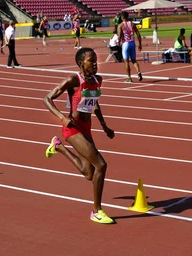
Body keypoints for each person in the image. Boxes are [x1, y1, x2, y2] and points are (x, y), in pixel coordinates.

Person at [44, 48, 115, 224]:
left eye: (96, 60)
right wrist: (62, 118)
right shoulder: (73, 80)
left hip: (86, 128)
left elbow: (94, 104)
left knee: (89, 174)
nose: (95, 64)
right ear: (80, 63)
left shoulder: (98, 80)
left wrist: (104, 126)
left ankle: (58, 147)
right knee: (101, 165)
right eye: (91, 61)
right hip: (72, 128)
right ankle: (96, 211)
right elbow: (47, 98)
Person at [118, 11, 143, 83]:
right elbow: (138, 34)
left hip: (125, 43)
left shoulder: (120, 25)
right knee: (134, 60)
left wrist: (119, 42)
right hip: (132, 43)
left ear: (122, 17)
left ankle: (129, 78)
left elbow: (119, 36)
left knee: (126, 62)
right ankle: (138, 71)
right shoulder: (132, 24)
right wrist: (140, 44)